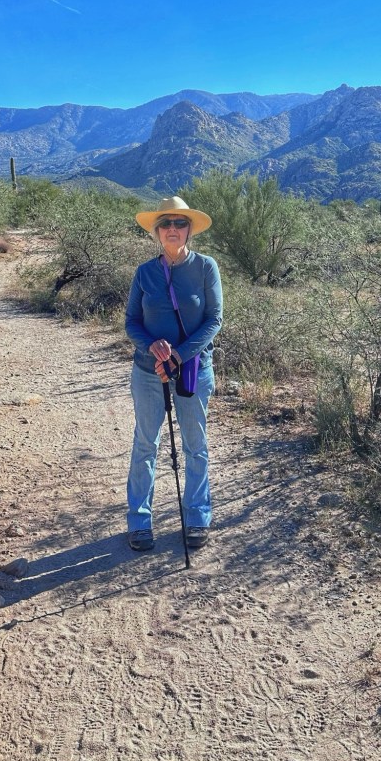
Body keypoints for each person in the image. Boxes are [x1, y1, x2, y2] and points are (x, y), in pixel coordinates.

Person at [124, 196, 222, 552]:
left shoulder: (205, 267)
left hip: (192, 371)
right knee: (145, 445)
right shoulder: (144, 273)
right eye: (165, 223)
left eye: (180, 223)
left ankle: (197, 517)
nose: (172, 229)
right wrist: (152, 346)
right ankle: (139, 521)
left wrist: (178, 355)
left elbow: (214, 320)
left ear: (189, 230)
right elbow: (132, 321)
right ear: (156, 231)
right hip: (148, 371)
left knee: (196, 446)